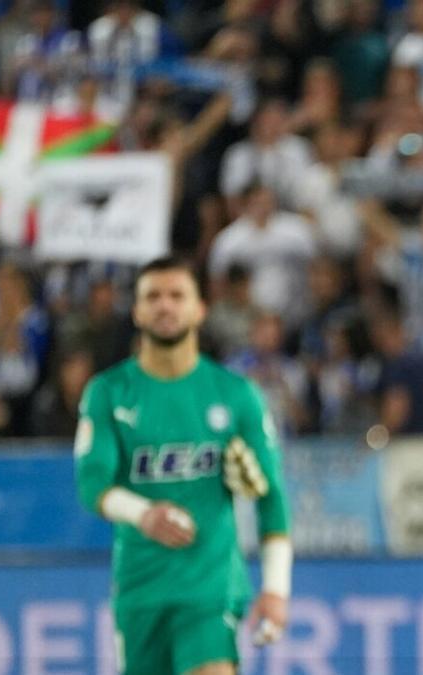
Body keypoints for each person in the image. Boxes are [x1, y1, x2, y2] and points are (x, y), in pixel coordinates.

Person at [74, 257, 292, 675]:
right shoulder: (109, 393)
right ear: (137, 311)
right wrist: (143, 514)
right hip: (140, 590)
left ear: (199, 309)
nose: (165, 306)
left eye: (177, 296)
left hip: (208, 588)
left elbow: (272, 496)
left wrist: (276, 589)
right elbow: (91, 483)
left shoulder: (236, 394)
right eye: (152, 296)